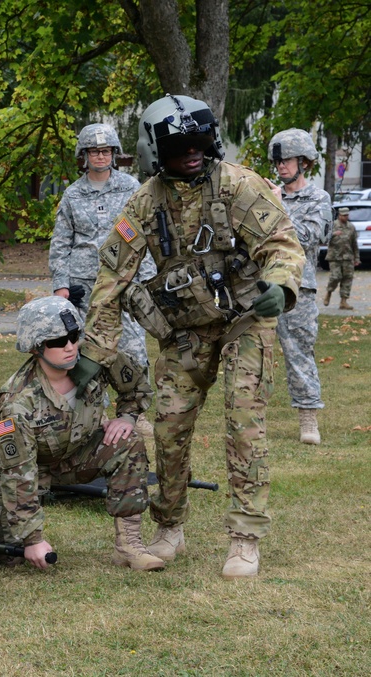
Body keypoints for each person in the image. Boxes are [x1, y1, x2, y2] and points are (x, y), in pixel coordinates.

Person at [80, 94, 304, 579]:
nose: (193, 154)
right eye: (181, 147)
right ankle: (170, 526)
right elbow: (112, 276)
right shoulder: (144, 201)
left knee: (245, 419)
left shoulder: (241, 186)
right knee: (170, 426)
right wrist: (93, 351)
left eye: (200, 144)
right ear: (156, 152)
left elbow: (282, 244)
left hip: (246, 315)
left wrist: (280, 286)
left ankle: (245, 537)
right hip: (186, 329)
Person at [0, 296, 162, 571]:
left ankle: (129, 545)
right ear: (36, 347)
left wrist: (127, 418)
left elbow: (137, 389)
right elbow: (17, 474)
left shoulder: (97, 359)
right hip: (9, 470)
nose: (70, 346)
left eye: (74, 336)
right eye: (58, 341)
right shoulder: (15, 404)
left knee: (127, 443)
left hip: (70, 454)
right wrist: (33, 538)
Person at [49, 122, 156, 440]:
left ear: (114, 154)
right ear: (84, 155)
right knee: (85, 350)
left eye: (106, 150)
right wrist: (60, 284)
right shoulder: (72, 194)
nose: (100, 156)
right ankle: (93, 414)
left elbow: (143, 233)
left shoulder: (130, 187)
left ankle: (134, 413)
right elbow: (61, 243)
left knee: (133, 349)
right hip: (84, 285)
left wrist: (146, 278)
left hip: (124, 279)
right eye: (94, 151)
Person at [269, 129, 333, 445]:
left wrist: (278, 207)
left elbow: (309, 238)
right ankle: (250, 418)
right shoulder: (271, 195)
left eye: (288, 160)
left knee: (299, 355)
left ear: (304, 162)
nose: (281, 166)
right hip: (264, 286)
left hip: (298, 290)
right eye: (278, 161)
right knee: (254, 356)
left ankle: (308, 421)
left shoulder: (318, 199)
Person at [325, 207, 359, 310]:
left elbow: (354, 244)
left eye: (347, 215)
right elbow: (324, 238)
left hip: (348, 257)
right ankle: (329, 292)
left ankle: (343, 302)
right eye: (344, 215)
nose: (345, 217)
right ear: (339, 215)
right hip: (335, 256)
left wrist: (356, 258)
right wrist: (333, 234)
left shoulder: (351, 227)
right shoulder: (333, 225)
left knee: (347, 279)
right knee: (336, 276)